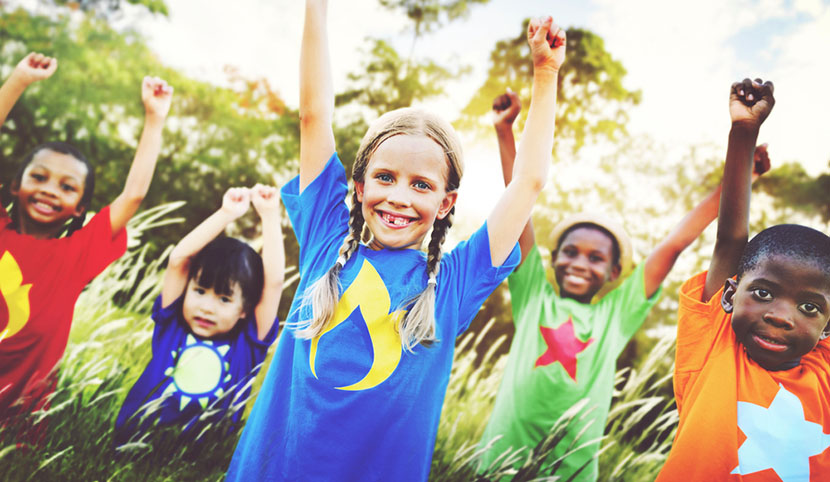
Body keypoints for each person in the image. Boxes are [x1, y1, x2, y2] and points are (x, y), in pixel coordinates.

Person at [225, 1, 564, 480]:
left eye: (421, 185)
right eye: (385, 177)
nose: (399, 198)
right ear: (359, 187)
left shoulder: (453, 283)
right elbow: (313, 115)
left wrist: (545, 73)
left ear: (446, 203)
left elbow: (528, 181)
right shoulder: (326, 236)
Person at [478, 88, 771, 480]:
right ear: (552, 259)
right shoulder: (533, 296)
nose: (579, 263)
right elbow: (519, 207)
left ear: (615, 273)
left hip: (571, 472)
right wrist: (504, 132)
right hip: (499, 463)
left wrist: (739, 179)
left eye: (596, 258)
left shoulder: (618, 313)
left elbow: (674, 244)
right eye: (570, 252)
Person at [657, 80, 830, 479]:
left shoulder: (823, 373)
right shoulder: (714, 347)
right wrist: (743, 133)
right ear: (730, 294)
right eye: (765, 293)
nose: (781, 316)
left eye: (809, 308)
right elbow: (730, 241)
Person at [0, 52, 172, 417]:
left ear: (80, 207)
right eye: (39, 177)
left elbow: (134, 195)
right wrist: (18, 81)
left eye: (67, 187)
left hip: (15, 420)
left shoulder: (77, 254)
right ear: (15, 185)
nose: (49, 190)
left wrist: (154, 119)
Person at [114, 185, 283, 444]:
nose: (207, 306)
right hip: (137, 442)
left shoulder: (247, 346)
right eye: (200, 291)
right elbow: (179, 259)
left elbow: (273, 283)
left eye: (224, 299)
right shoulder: (172, 326)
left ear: (244, 311)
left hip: (199, 457)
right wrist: (226, 213)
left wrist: (270, 216)